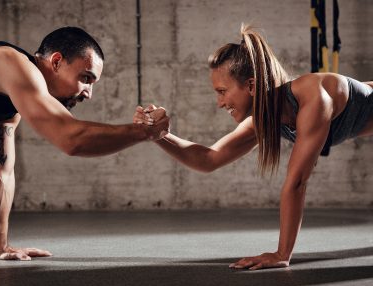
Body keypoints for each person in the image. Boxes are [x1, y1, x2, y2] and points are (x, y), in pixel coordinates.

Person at [134, 24, 373, 270]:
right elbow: (209, 159)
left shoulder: (313, 96)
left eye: (222, 92)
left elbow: (297, 182)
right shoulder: (264, 117)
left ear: (251, 86)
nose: (220, 103)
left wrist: (282, 254)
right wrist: (159, 135)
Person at [0, 27, 169, 261]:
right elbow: (72, 139)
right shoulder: (11, 63)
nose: (89, 93)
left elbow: (2, 173)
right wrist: (142, 132)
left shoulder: (10, 103)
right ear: (56, 61)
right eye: (86, 78)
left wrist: (1, 247)